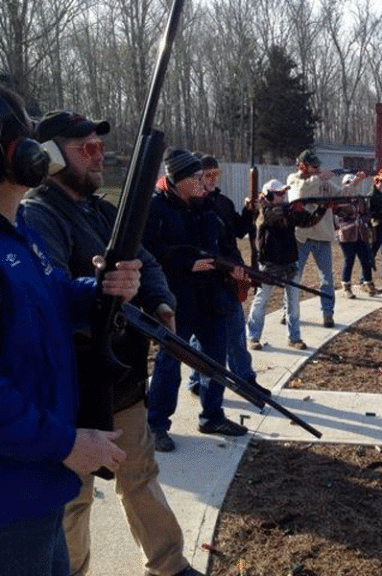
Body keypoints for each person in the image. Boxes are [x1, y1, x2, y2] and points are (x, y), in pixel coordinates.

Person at [22, 110, 201, 576]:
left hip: (121, 375)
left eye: (100, 147)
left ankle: (168, 564)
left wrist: (160, 301)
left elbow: (147, 262)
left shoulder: (104, 212)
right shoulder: (38, 214)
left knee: (140, 476)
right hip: (76, 387)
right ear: (53, 158)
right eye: (87, 149)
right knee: (74, 497)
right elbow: (53, 294)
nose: (99, 157)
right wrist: (97, 285)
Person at [0, 87, 140, 576]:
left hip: (41, 486)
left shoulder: (18, 232)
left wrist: (101, 288)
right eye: (21, 137)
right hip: (11, 501)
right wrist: (67, 443)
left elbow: (54, 296)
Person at [143, 148, 247, 453]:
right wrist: (186, 264)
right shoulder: (156, 208)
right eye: (195, 177)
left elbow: (226, 242)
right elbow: (148, 251)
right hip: (176, 297)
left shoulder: (209, 206)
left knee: (215, 358)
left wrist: (237, 266)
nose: (203, 182)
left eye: (203, 176)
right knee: (169, 360)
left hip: (211, 296)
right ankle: (157, 424)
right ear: (176, 179)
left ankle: (212, 415)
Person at [186, 155, 255, 398]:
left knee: (236, 328)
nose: (213, 179)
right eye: (208, 175)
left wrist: (249, 212)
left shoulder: (223, 202)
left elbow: (238, 231)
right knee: (204, 337)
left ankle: (244, 377)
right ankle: (197, 380)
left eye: (216, 174)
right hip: (207, 279)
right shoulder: (191, 205)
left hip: (230, 274)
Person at [286, 149, 367, 326]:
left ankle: (328, 313)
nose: (318, 169)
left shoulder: (325, 183)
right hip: (302, 236)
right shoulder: (293, 179)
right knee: (294, 277)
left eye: (318, 166)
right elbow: (299, 193)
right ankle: (289, 312)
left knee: (326, 280)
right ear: (303, 166)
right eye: (314, 166)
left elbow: (343, 196)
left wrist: (356, 183)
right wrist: (320, 178)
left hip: (323, 235)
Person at [246, 179, 319, 351]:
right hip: (269, 263)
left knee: (293, 303)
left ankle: (294, 338)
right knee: (261, 301)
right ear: (269, 195)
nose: (283, 195)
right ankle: (253, 337)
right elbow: (270, 218)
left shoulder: (289, 211)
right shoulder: (263, 211)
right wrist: (291, 208)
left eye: (283, 193)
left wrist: (322, 208)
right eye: (279, 193)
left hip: (290, 261)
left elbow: (308, 221)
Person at [334, 173, 381, 297]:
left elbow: (366, 213)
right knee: (349, 260)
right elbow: (338, 214)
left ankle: (368, 284)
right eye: (348, 183)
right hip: (347, 234)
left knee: (366, 259)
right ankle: (346, 286)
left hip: (360, 233)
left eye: (353, 183)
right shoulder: (340, 199)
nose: (352, 186)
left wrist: (364, 221)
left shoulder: (360, 198)